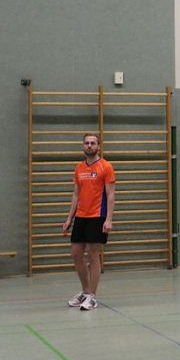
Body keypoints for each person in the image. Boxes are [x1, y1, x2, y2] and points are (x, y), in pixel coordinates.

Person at [62, 133, 115, 311]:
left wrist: (109, 219)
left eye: (93, 143)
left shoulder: (106, 167)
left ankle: (92, 296)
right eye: (86, 143)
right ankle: (85, 291)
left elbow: (111, 195)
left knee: (93, 255)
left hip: (97, 216)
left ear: (98, 146)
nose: (89, 146)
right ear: (83, 146)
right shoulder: (79, 168)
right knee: (76, 253)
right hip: (81, 217)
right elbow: (76, 195)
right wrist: (69, 218)